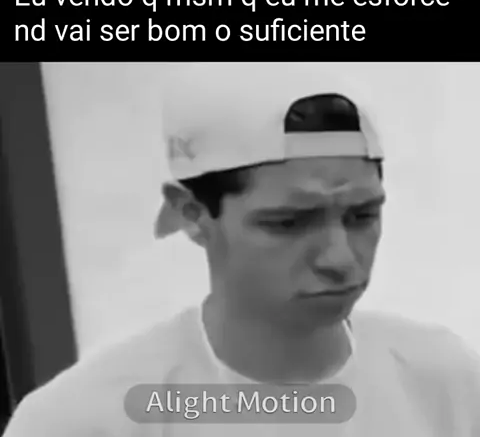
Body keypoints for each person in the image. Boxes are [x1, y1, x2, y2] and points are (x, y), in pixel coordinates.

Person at [3, 64, 480, 436]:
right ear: (192, 214)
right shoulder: (81, 422)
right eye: (288, 222)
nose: (339, 259)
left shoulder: (447, 383)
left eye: (362, 215)